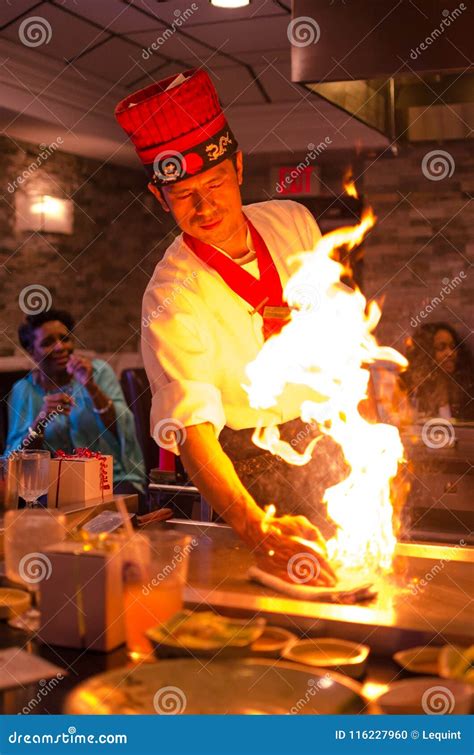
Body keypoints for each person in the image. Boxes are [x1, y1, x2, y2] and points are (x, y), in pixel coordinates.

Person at [115, 69, 338, 585]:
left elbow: (334, 331)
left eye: (214, 184)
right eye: (184, 194)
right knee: (275, 597)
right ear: (159, 195)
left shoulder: (292, 221)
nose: (204, 206)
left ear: (238, 166)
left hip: (327, 437)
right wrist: (253, 525)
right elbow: (193, 432)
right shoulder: (169, 295)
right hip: (248, 466)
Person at [5, 309, 146, 495]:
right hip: (55, 488)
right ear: (31, 351)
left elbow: (123, 428)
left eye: (65, 339)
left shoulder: (99, 372)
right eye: (48, 343)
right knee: (46, 515)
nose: (59, 347)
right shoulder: (23, 390)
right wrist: (41, 420)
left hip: (111, 480)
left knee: (115, 514)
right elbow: (15, 459)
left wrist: (91, 387)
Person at [400, 322, 474, 421]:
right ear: (425, 353)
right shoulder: (410, 391)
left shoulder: (465, 392)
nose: (450, 353)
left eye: (453, 347)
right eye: (441, 347)